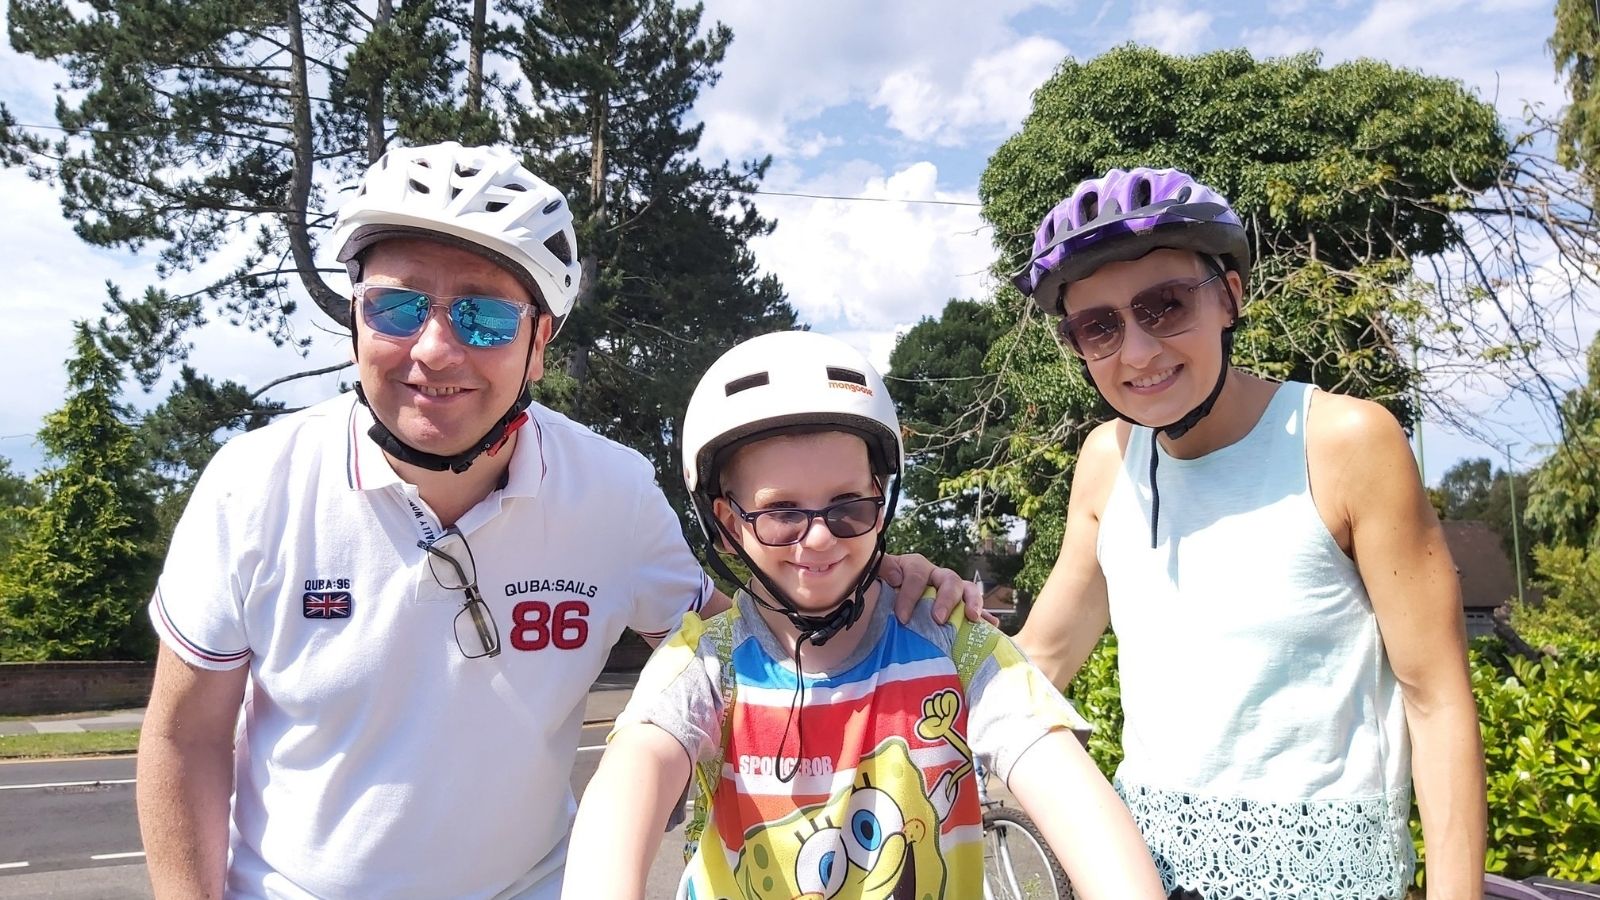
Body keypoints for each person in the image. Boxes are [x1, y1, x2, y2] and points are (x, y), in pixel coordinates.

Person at [133, 142, 978, 900]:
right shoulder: (254, 486)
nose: (433, 349)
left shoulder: (610, 493)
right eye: (396, 306)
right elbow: (184, 738)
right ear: (354, 313)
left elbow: (758, 642)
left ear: (540, 343)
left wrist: (878, 582)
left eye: (484, 317)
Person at [1008, 167, 1487, 900]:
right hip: (1143, 875)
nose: (1136, 352)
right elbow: (1038, 663)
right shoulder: (1108, 462)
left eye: (1164, 305)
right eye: (1098, 326)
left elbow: (1436, 698)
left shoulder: (1345, 442)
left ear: (1230, 296)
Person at [562, 331, 1166, 900]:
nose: (820, 539)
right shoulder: (702, 664)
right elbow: (631, 776)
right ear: (726, 524)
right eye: (781, 513)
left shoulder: (952, 642)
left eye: (849, 506)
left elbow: (1061, 778)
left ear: (883, 498)